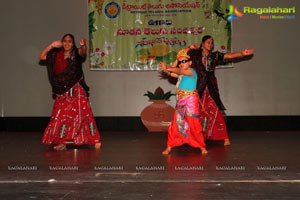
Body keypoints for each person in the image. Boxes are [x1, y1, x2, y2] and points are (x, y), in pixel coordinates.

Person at [187, 35, 254, 145]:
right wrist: (190, 47)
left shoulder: (214, 56)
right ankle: (195, 137)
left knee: (215, 111)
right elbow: (182, 56)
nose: (210, 45)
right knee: (195, 113)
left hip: (210, 88)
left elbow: (229, 56)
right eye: (208, 42)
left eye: (212, 43)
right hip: (198, 87)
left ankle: (224, 138)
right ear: (202, 43)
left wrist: (242, 53)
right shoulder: (195, 54)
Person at [39, 33, 101, 150]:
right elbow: (41, 57)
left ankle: (94, 139)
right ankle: (64, 141)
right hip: (62, 92)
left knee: (82, 113)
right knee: (61, 116)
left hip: (76, 90)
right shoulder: (56, 55)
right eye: (65, 41)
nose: (67, 43)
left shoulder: (75, 54)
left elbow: (82, 52)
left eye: (69, 41)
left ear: (73, 44)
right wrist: (52, 45)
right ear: (62, 43)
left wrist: (83, 46)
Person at [160, 49, 208, 155]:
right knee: (176, 123)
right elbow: (171, 73)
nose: (181, 64)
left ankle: (201, 146)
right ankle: (170, 146)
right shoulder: (181, 75)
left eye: (184, 61)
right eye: (180, 62)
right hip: (181, 101)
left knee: (194, 124)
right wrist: (175, 61)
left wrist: (168, 66)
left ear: (190, 63)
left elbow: (179, 71)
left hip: (191, 101)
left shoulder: (191, 72)